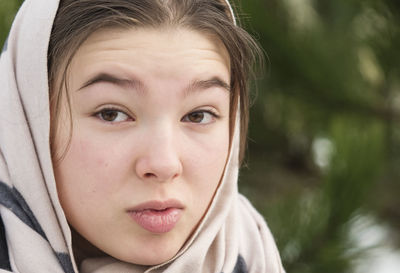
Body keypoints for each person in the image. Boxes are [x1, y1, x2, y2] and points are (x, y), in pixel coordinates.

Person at [0, 0, 285, 272]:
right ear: (29, 120)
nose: (164, 165)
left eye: (198, 115)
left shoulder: (248, 253)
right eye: (111, 113)